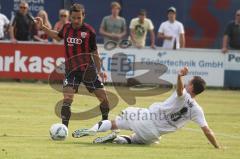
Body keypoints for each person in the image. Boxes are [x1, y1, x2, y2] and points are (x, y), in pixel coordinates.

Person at [72, 66, 221, 148]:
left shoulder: (184, 95)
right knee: (137, 140)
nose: (187, 83)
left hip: (146, 118)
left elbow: (179, 91)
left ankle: (92, 130)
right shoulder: (197, 109)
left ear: (191, 87)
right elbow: (207, 130)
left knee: (115, 122)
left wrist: (179, 76)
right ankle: (115, 138)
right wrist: (217, 146)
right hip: (153, 134)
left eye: (189, 82)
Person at [34, 3, 110, 127]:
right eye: (73, 18)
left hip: (88, 70)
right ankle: (64, 128)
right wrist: (43, 27)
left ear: (83, 16)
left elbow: (94, 52)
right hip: (71, 70)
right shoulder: (66, 28)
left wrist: (100, 71)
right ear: (70, 17)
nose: (76, 20)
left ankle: (105, 123)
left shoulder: (89, 31)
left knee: (104, 99)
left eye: (78, 18)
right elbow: (57, 36)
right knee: (67, 98)